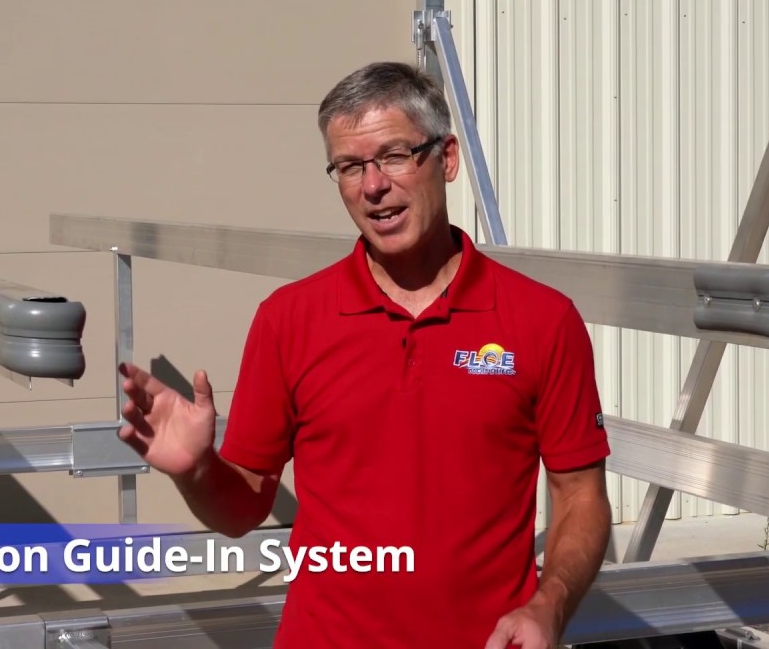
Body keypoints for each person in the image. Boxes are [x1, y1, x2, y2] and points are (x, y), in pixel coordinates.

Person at [116, 61, 611, 649]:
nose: (372, 186)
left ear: (447, 158)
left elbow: (580, 496)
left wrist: (549, 606)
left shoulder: (541, 320)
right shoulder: (289, 320)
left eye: (394, 155)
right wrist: (197, 472)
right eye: (349, 166)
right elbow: (241, 509)